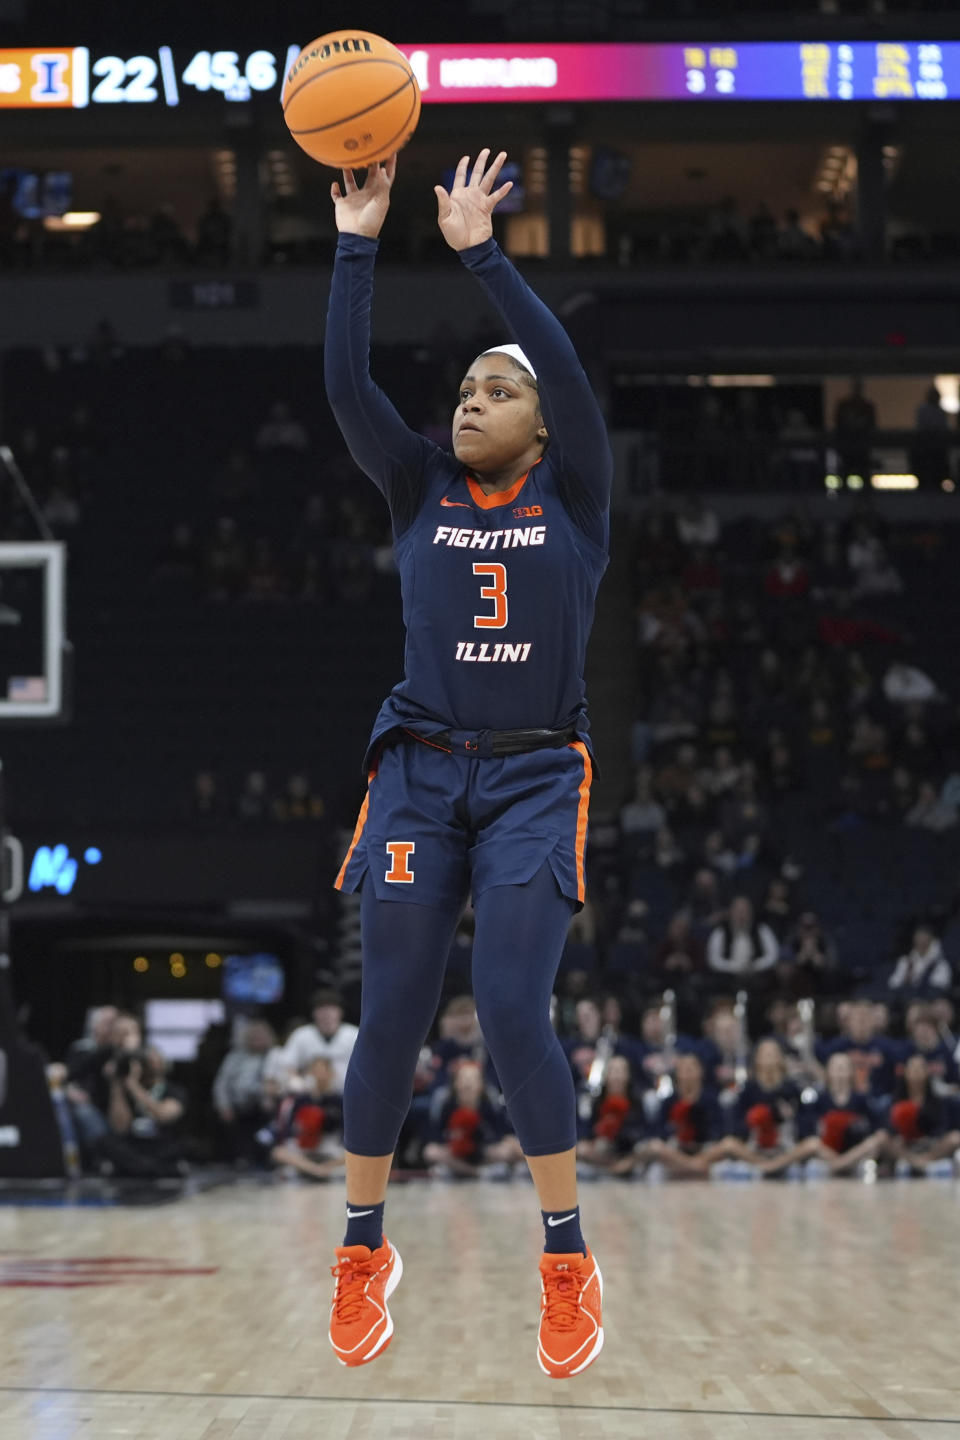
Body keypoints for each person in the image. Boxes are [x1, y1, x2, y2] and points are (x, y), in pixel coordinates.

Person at [323, 149, 611, 1377]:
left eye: (498, 389)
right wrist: (358, 241)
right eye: (465, 389)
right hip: (419, 773)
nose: (470, 401)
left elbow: (566, 370)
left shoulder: (582, 491)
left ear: (542, 421)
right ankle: (361, 1245)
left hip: (537, 775)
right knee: (389, 1010)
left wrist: (483, 258)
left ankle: (565, 1257)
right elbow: (347, 388)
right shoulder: (420, 485)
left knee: (506, 1005)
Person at [279, 990, 359, 1093]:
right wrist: (296, 1082)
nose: (326, 1014)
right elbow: (287, 1065)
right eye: (321, 1009)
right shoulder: (302, 1035)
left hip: (346, 1094)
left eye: (331, 1009)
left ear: (340, 1012)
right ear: (314, 1013)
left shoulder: (353, 1035)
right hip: (309, 1096)